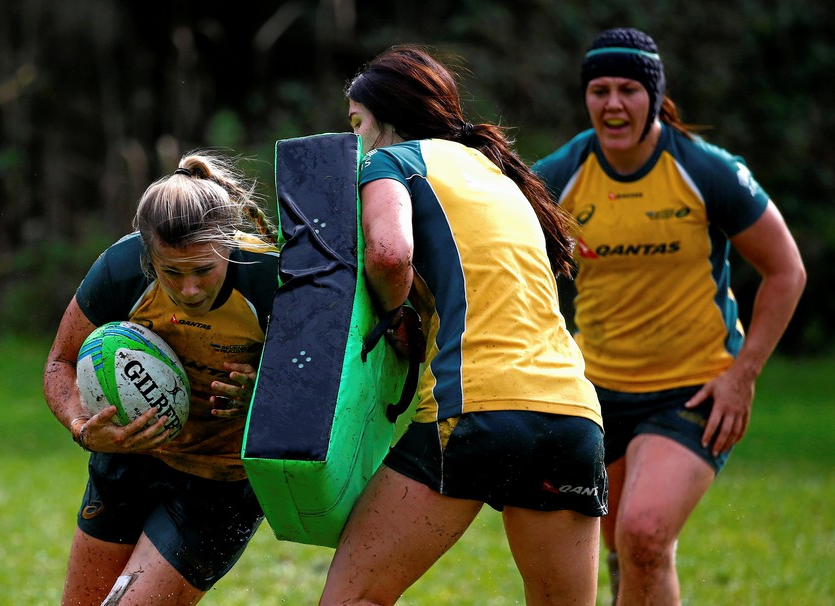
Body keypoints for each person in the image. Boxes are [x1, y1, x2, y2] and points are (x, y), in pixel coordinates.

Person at [319, 46, 607, 606]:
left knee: (354, 598)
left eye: (356, 125)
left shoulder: (392, 162)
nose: (354, 143)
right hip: (572, 417)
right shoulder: (500, 173)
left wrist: (392, 312)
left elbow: (387, 252)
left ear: (386, 118)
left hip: (477, 407)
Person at [531, 28, 806, 606]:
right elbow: (507, 256)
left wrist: (742, 376)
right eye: (599, 90)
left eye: (628, 90)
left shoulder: (704, 171)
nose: (613, 104)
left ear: (653, 96)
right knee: (630, 549)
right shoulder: (561, 174)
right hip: (597, 391)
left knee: (645, 533)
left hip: (693, 388)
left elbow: (786, 271)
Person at [43, 151, 279, 606]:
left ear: (228, 247)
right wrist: (81, 426)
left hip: (221, 481)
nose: (189, 289)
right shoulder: (121, 269)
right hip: (129, 462)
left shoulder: (269, 279)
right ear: (149, 255)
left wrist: (266, 392)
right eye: (172, 272)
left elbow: (327, 387)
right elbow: (60, 362)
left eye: (204, 270)